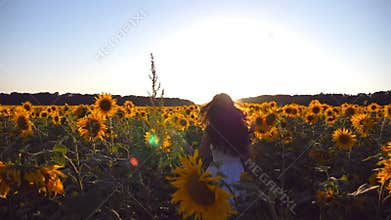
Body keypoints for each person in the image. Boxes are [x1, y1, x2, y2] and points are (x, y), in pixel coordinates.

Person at [198, 93, 251, 197]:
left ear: (214, 109)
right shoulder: (242, 128)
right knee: (236, 205)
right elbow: (247, 155)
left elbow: (203, 152)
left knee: (215, 206)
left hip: (216, 171)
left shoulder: (211, 129)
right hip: (237, 171)